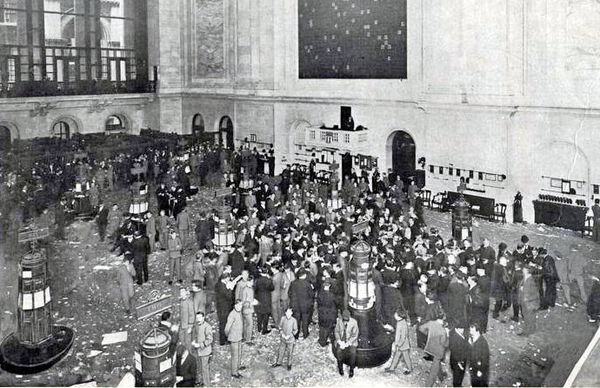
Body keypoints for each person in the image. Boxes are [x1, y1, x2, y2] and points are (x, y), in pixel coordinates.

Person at [419, 314, 448, 386]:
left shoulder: (431, 323)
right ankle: (428, 385)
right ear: (443, 320)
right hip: (438, 352)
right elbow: (445, 344)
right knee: (433, 371)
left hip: (429, 348)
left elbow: (421, 328)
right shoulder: (443, 331)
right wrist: (448, 335)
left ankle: (441, 377)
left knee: (437, 364)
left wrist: (429, 335)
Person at [385, 308, 412, 375]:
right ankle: (392, 368)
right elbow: (398, 334)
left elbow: (403, 336)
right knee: (396, 356)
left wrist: (399, 344)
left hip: (403, 345)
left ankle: (409, 369)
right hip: (400, 344)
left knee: (406, 358)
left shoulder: (403, 324)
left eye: (396, 314)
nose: (394, 315)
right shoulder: (399, 322)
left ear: (399, 316)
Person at [288, 270, 314, 339]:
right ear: (304, 275)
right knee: (305, 320)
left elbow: (289, 293)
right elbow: (312, 295)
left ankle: (296, 334)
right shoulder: (308, 284)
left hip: (295, 305)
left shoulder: (293, 283)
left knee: (296, 320)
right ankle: (305, 334)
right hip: (305, 305)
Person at [334, 309, 359, 378]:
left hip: (351, 342)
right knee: (338, 352)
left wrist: (348, 343)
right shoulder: (339, 321)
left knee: (353, 353)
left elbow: (355, 335)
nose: (345, 321)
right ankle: (340, 368)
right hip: (342, 340)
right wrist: (339, 341)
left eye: (346, 319)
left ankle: (351, 369)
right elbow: (336, 331)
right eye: (344, 319)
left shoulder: (354, 322)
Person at [225, 299, 245, 378]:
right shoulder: (232, 314)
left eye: (241, 305)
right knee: (235, 355)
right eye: (238, 305)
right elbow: (227, 328)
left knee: (239, 353)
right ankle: (234, 372)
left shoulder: (239, 312)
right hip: (234, 338)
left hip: (239, 336)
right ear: (235, 305)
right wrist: (228, 336)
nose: (240, 307)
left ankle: (238, 366)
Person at [192, 311, 213, 387]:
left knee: (204, 369)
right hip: (199, 351)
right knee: (199, 367)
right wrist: (194, 341)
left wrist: (199, 345)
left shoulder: (207, 326)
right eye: (197, 318)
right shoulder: (197, 326)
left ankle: (207, 385)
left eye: (200, 317)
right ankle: (201, 381)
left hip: (205, 351)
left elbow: (210, 339)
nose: (198, 319)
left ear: (203, 317)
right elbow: (196, 335)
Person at [517, 264, 539, 336]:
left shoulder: (531, 280)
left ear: (527, 271)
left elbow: (535, 294)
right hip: (524, 301)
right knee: (527, 316)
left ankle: (527, 332)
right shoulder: (525, 278)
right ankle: (531, 329)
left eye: (523, 269)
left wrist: (527, 299)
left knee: (528, 317)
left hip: (529, 303)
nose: (522, 270)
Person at [317, 279, 338, 347]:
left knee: (322, 327)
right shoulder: (332, 295)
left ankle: (321, 339)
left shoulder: (320, 293)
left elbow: (318, 303)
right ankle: (323, 342)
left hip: (321, 313)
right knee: (327, 328)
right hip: (329, 314)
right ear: (329, 286)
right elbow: (336, 304)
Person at [254, 268, 275, 335]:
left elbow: (255, 289)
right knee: (266, 314)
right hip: (266, 299)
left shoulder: (257, 280)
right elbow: (272, 288)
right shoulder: (268, 280)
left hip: (259, 298)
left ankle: (259, 328)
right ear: (267, 272)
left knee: (259, 314)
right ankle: (264, 329)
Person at [241, 277, 255, 344]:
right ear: (247, 282)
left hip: (249, 309)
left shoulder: (250, 288)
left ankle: (245, 336)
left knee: (246, 324)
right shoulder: (245, 290)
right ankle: (248, 340)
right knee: (249, 324)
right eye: (251, 282)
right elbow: (243, 302)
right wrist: (250, 303)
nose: (252, 283)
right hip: (247, 310)